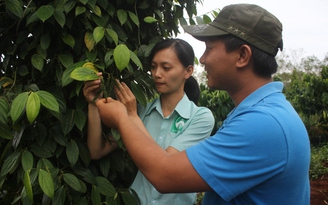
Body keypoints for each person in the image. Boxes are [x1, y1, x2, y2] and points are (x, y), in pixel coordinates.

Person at [95, 4, 311, 204]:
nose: (203, 59)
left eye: (208, 48)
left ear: (242, 56)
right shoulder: (261, 113)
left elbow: (165, 175)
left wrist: (124, 117)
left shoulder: (264, 124)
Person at [83, 39, 215, 205]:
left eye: (166, 68)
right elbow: (96, 150)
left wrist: (130, 117)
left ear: (188, 71)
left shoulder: (200, 117)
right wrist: (93, 103)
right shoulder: (142, 110)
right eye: (153, 67)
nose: (157, 73)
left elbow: (166, 167)